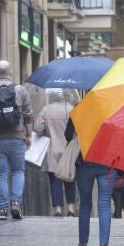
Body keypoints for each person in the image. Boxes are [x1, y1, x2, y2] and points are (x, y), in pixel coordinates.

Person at [0, 60, 33, 220]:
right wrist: (29, 135)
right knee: (18, 171)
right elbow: (28, 114)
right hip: (17, 137)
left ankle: (2, 209)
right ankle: (15, 203)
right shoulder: (20, 90)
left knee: (1, 174)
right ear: (11, 73)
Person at [65, 113, 116, 246]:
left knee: (85, 205)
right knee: (104, 204)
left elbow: (68, 135)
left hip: (86, 162)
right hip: (108, 162)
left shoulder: (81, 109)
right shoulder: (114, 110)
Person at [33, 88, 77, 217]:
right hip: (69, 149)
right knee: (69, 177)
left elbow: (38, 128)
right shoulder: (71, 109)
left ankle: (58, 209)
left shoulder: (46, 110)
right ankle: (71, 209)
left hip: (52, 149)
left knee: (54, 179)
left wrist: (46, 130)